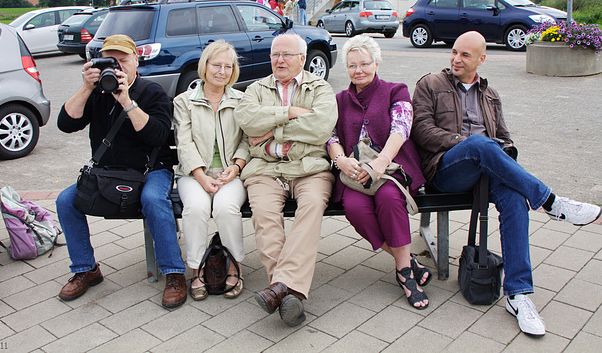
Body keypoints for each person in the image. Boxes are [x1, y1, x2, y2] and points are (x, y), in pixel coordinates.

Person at [411, 31, 602, 335]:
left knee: (513, 196)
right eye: (454, 52)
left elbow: (507, 139)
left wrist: (500, 153)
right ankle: (552, 203)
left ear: (481, 60)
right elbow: (421, 132)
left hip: (486, 171)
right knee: (481, 145)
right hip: (445, 170)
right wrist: (470, 144)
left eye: (465, 55)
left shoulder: (491, 95)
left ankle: (519, 295)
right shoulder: (430, 84)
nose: (456, 59)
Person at [55, 34, 187, 309]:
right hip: (108, 171)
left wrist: (126, 100)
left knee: (153, 199)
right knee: (65, 201)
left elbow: (158, 136)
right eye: (109, 61)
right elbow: (66, 124)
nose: (116, 67)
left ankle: (173, 273)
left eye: (123, 61)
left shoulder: (152, 92)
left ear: (136, 60)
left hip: (151, 170)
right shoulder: (96, 93)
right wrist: (85, 87)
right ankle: (86, 270)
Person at [235, 33, 336, 327]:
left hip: (309, 168)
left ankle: (278, 289)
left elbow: (320, 128)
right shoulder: (255, 89)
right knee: (265, 215)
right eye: (275, 54)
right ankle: (289, 294)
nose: (279, 60)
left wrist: (271, 131)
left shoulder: (320, 88)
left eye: (287, 55)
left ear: (302, 59)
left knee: (312, 207)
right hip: (265, 168)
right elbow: (248, 121)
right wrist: (291, 113)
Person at [327, 35, 430, 310]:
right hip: (354, 173)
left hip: (391, 169)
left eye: (364, 63)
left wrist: (380, 163)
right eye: (352, 65)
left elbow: (401, 129)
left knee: (388, 198)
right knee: (355, 208)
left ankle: (404, 273)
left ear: (376, 63)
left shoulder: (397, 90)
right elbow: (330, 136)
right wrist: (341, 161)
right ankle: (407, 260)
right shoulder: (338, 99)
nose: (358, 70)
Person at [173, 41, 249, 301]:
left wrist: (236, 166)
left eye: (228, 66)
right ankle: (197, 269)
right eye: (217, 65)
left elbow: (247, 140)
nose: (222, 71)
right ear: (204, 66)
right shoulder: (185, 102)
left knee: (226, 208)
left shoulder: (241, 100)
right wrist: (201, 176)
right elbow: (184, 142)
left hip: (231, 173)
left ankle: (234, 267)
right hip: (194, 173)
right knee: (195, 208)